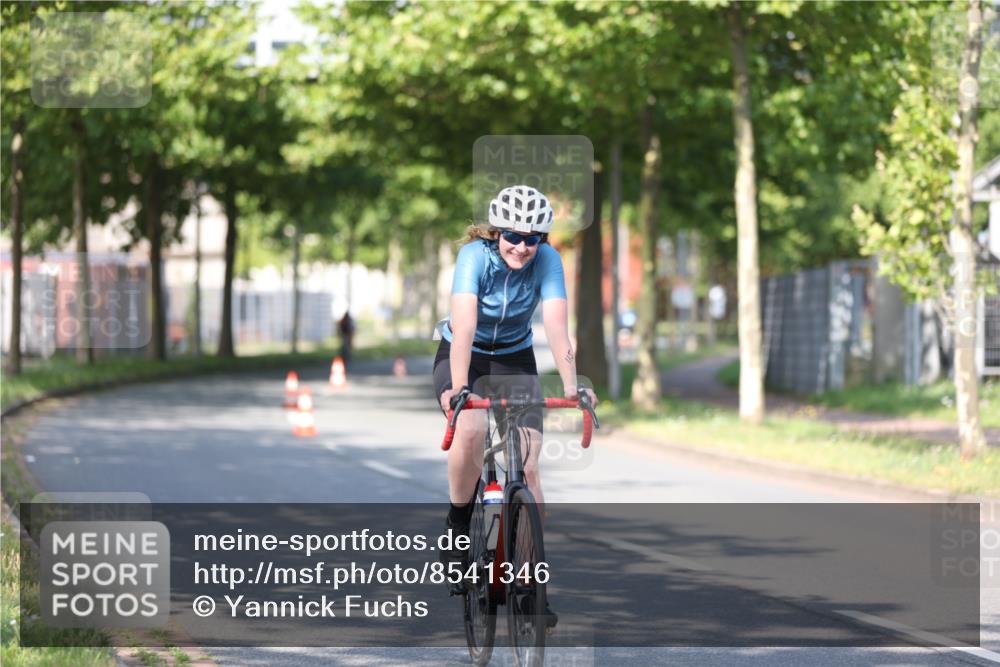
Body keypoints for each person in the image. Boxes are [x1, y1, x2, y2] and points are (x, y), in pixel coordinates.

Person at [432, 185, 597, 626]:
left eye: (532, 238)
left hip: (514, 356)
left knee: (529, 465)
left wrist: (573, 385)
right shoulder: (474, 258)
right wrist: (462, 388)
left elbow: (558, 328)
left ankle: (529, 585)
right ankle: (458, 522)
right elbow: (464, 326)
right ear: (495, 232)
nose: (522, 247)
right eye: (512, 236)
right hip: (462, 353)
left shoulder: (547, 260)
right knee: (469, 429)